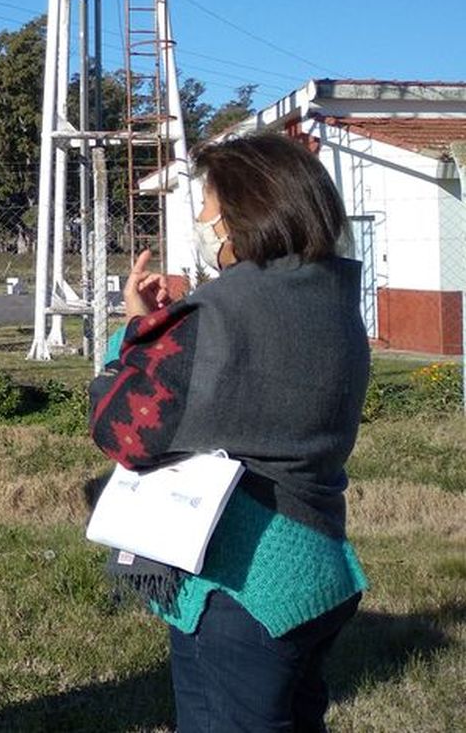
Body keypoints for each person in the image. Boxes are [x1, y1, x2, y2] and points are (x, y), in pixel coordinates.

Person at [88, 133, 370, 733]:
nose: (200, 219)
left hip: (242, 580)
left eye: (208, 205)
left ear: (245, 213)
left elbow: (123, 428)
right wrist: (178, 320)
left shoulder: (216, 314)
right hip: (316, 557)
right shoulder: (331, 293)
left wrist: (138, 330)